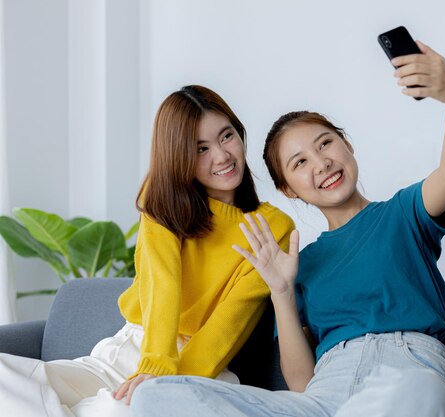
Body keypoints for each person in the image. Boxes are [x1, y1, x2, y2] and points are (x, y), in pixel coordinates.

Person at [131, 39, 445, 417]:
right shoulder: (296, 263)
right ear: (288, 189)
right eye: (300, 162)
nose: (321, 163)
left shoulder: (402, 214)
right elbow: (300, 382)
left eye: (326, 143)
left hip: (406, 371)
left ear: (348, 145)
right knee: (156, 395)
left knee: (422, 391)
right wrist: (281, 290)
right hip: (323, 393)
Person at [0, 85, 294, 417]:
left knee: (117, 409)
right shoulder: (163, 203)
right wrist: (154, 364)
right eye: (200, 149)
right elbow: (162, 286)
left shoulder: (273, 227)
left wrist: (163, 383)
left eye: (226, 136)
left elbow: (230, 323)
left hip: (199, 369)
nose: (222, 156)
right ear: (178, 156)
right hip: (130, 351)